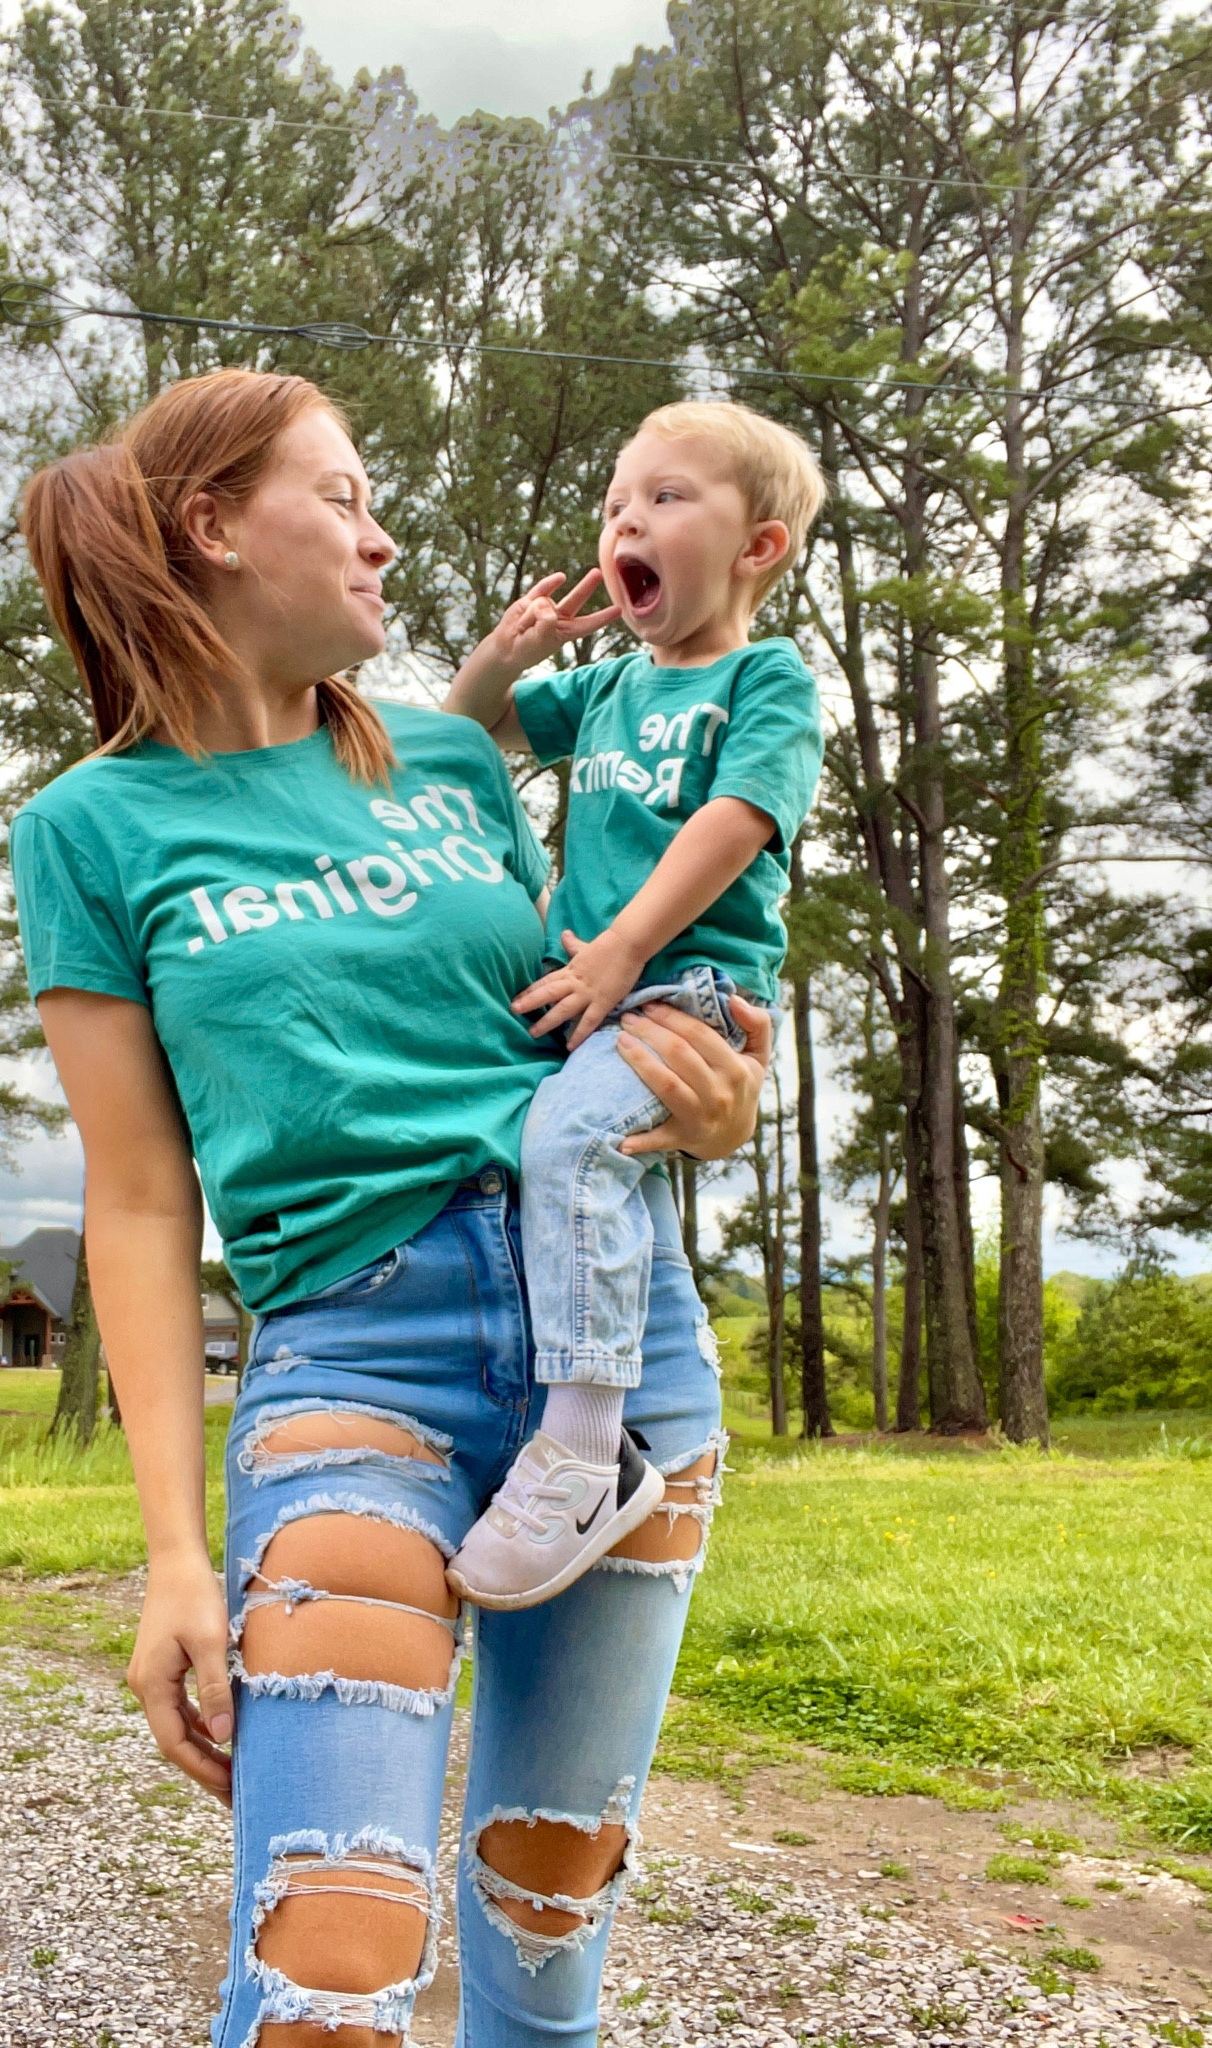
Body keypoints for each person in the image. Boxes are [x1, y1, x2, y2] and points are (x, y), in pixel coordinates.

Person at [11, 366, 772, 2048]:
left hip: (622, 1356)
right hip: (359, 1367)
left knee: (544, 1920)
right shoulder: (89, 827)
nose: (383, 532)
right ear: (212, 527)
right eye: (344, 496)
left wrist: (709, 1099)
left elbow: (589, 1026)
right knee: (326, 1976)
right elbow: (136, 1202)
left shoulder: (452, 762)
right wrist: (168, 1558)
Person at [443, 401, 825, 1610]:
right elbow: (471, 736)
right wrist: (509, 653)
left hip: (685, 988)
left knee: (569, 1140)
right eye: (616, 505)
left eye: (664, 498)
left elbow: (733, 826)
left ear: (756, 545)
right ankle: (547, 1407)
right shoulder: (606, 687)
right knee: (535, 1144)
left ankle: (589, 1447)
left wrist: (616, 951)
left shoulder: (767, 681)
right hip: (600, 979)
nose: (625, 522)